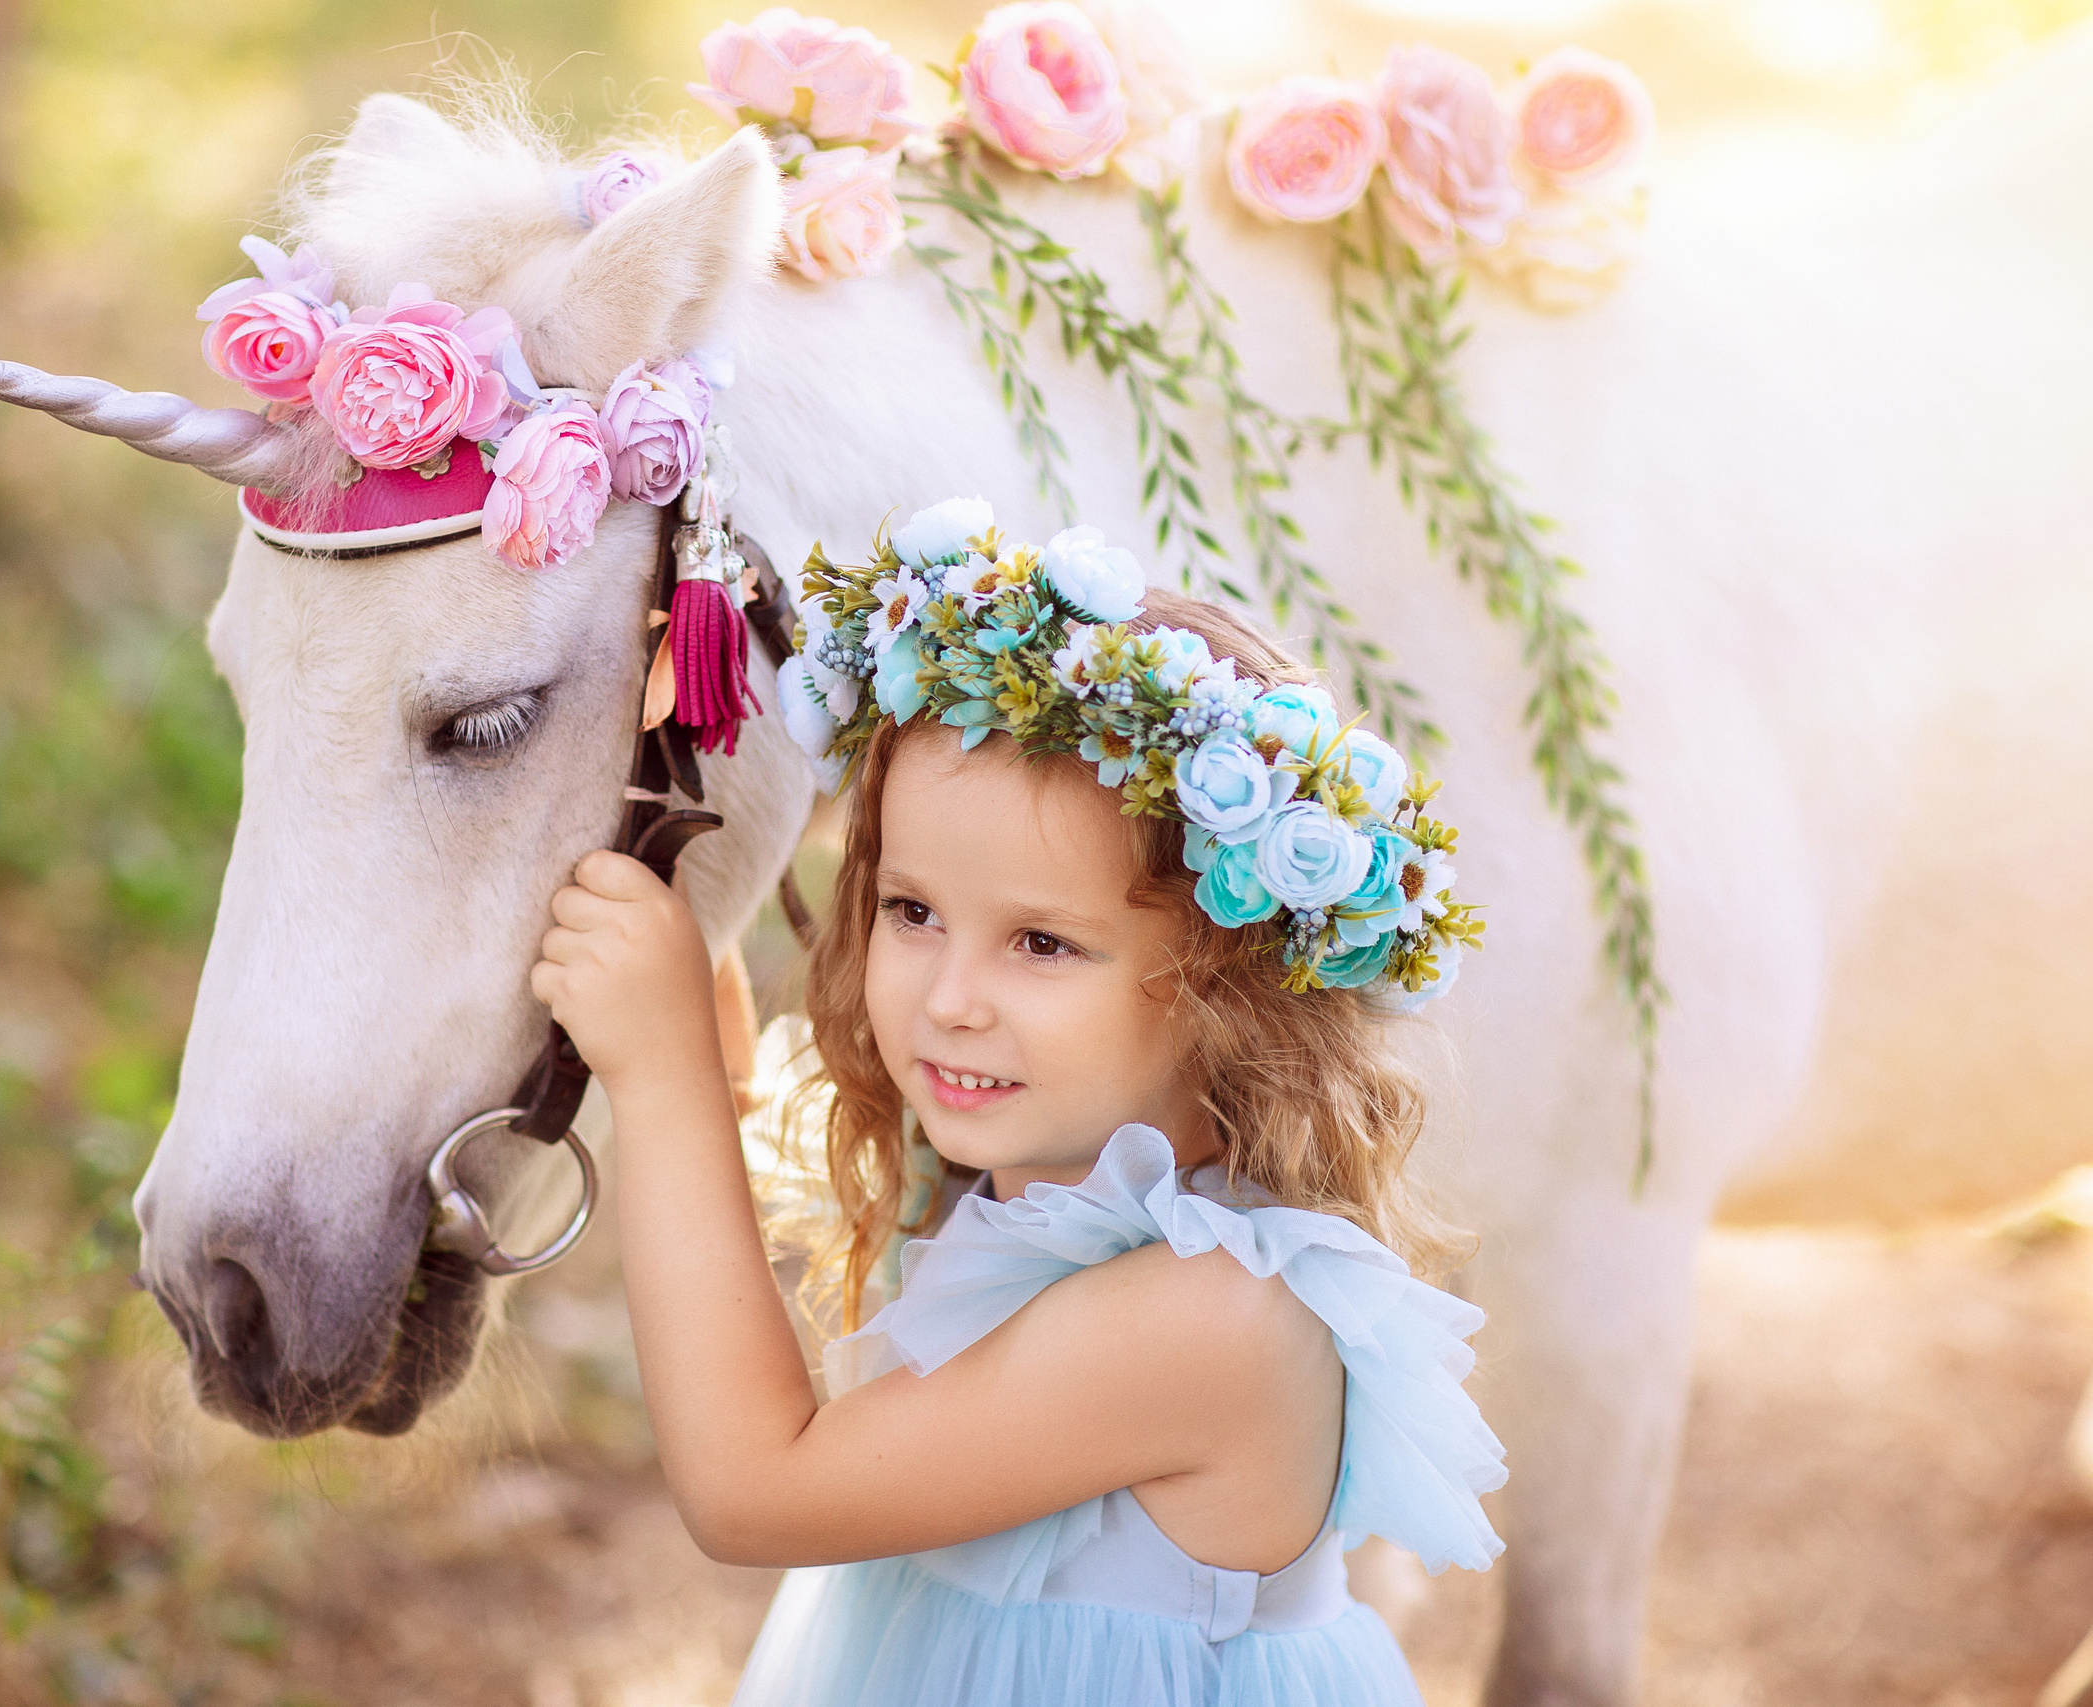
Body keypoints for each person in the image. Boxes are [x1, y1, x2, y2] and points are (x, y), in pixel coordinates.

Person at [532, 498, 1504, 1705]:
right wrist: (707, 1047)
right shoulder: (1036, 1198)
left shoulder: (1214, 1312)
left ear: (1226, 990)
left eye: (1040, 943)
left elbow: (754, 1489)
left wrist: (663, 1080)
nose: (949, 998)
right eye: (913, 911)